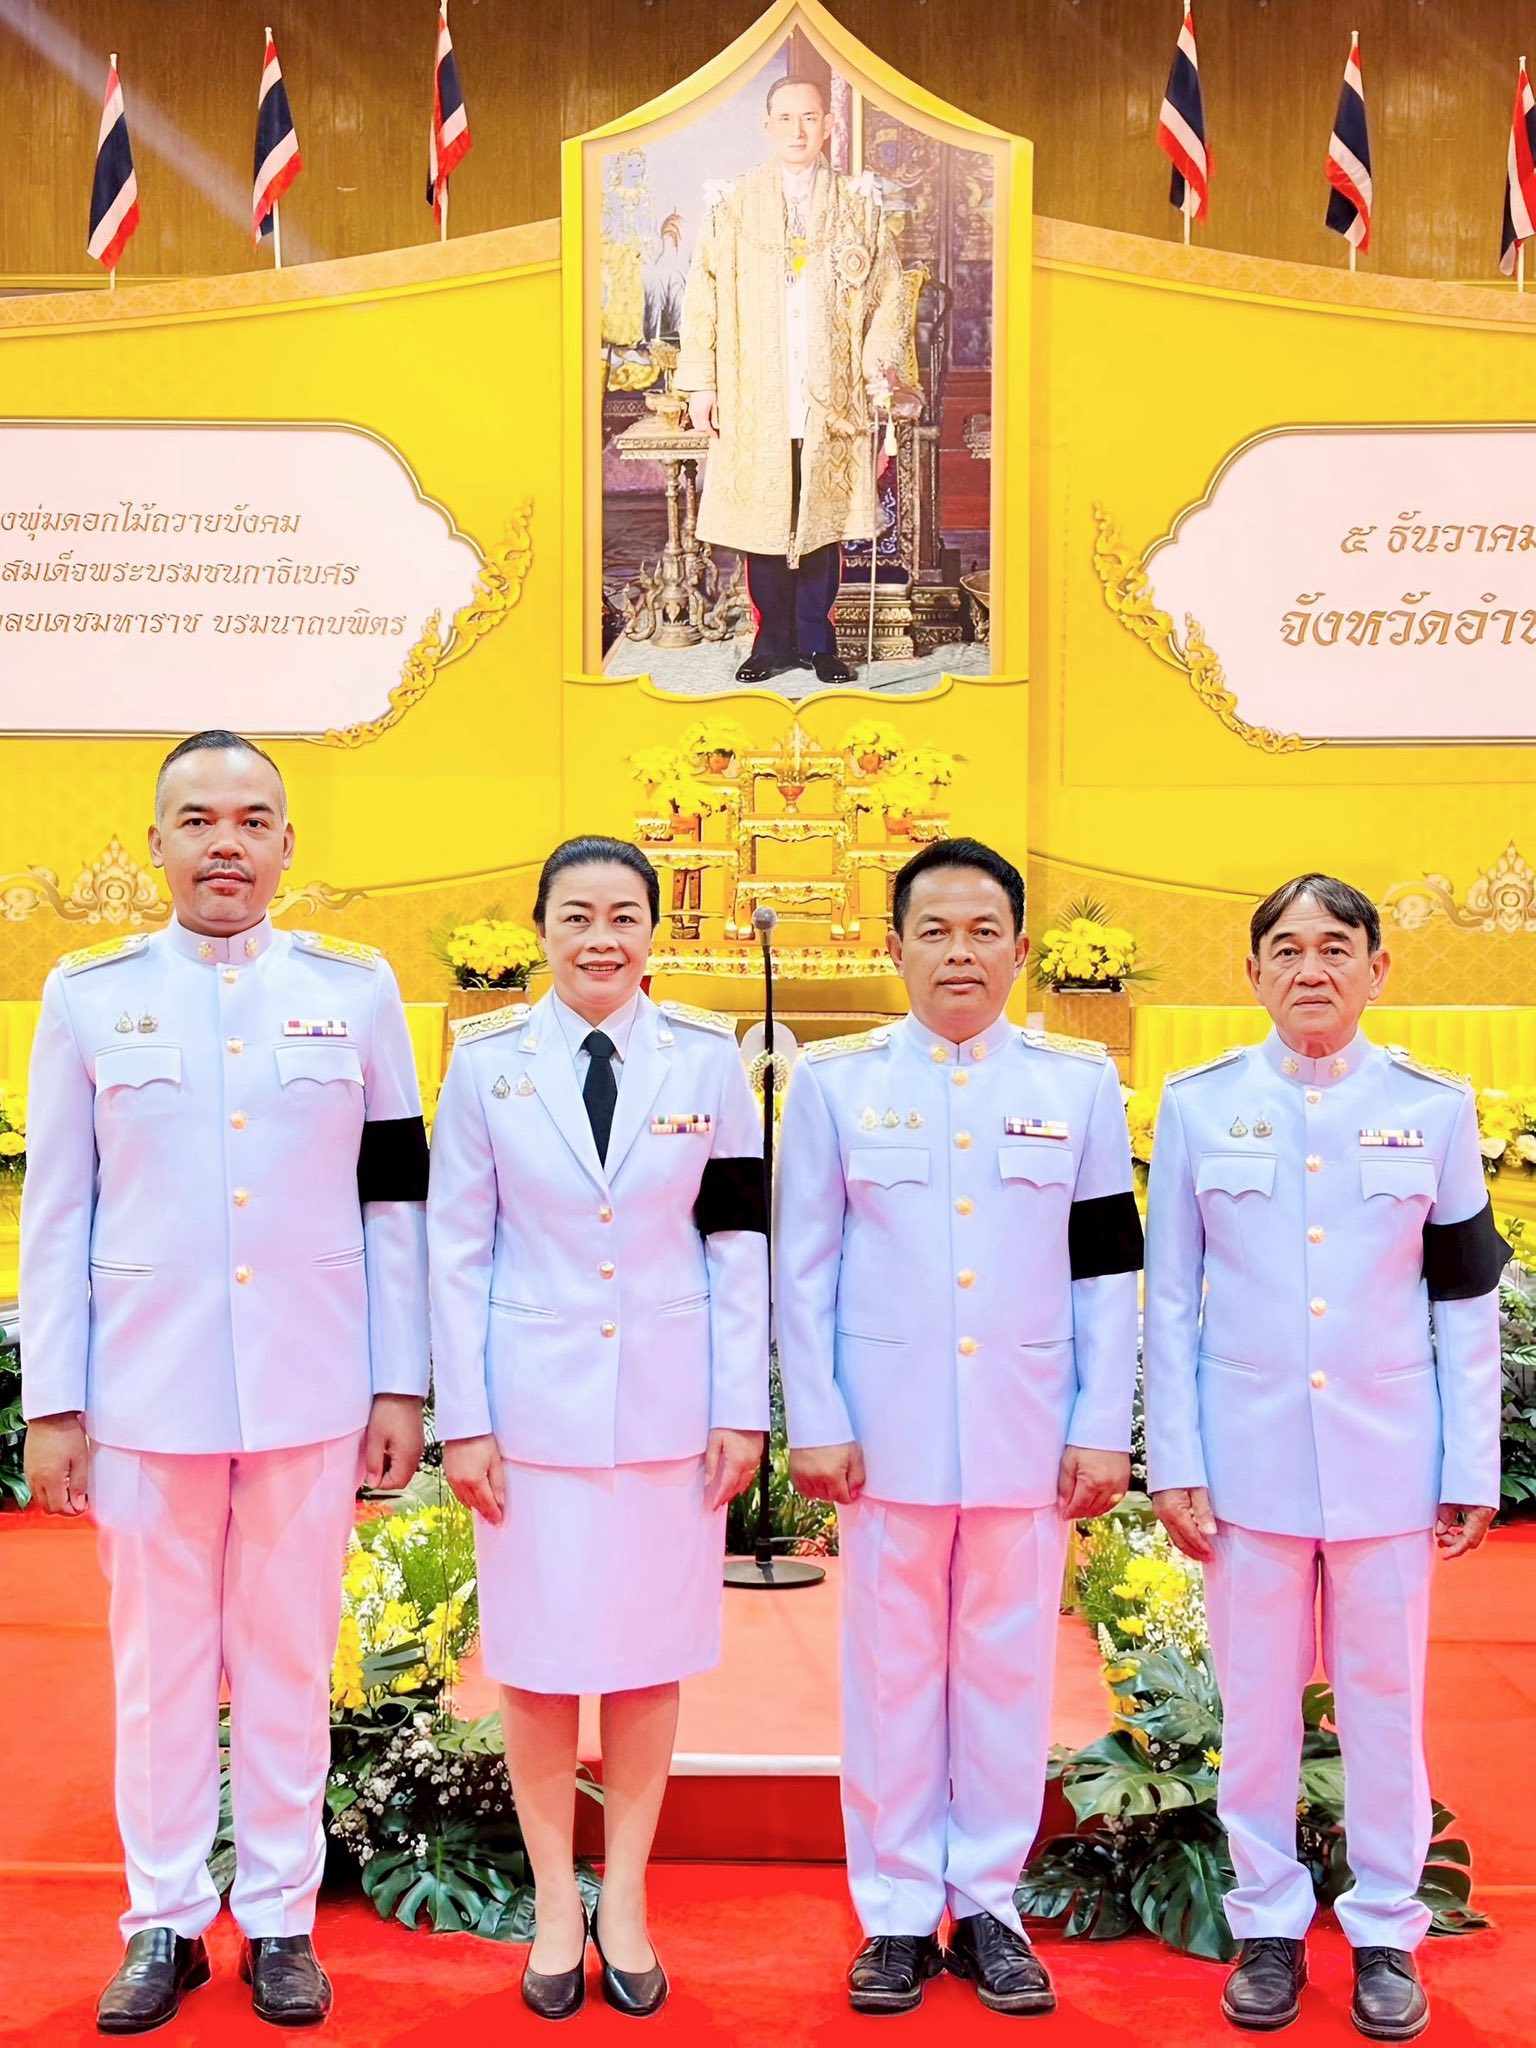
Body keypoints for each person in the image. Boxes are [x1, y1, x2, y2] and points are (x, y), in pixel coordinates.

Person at [21, 729, 429, 2034]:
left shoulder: (355, 990)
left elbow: (396, 1200)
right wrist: (53, 1401)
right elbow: (58, 1209)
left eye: (252, 820)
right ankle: (162, 1920)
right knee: (158, 1669)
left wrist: (401, 1382)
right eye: (198, 821)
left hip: (312, 1383)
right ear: (156, 844)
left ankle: (282, 1920)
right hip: (147, 1391)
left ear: (288, 844)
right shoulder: (89, 996)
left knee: (289, 1660)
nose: (225, 845)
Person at [775, 837, 1143, 2016]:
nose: (959, 952)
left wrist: (1102, 1423)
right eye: (934, 930)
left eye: (984, 931)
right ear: (895, 947)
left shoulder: (1078, 1084)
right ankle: (893, 1909)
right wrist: (816, 1416)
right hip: (883, 1438)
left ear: (1022, 948)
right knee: (890, 1675)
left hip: (1028, 1428)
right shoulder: (836, 1083)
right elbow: (803, 1266)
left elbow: (1106, 1269)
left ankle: (987, 1903)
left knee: (1007, 1670)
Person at [1143, 873, 1506, 2040]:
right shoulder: (1200, 1104)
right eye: (1289, 948)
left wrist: (1470, 1463)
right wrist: (1175, 1456)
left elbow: (1466, 1299)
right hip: (1245, 1463)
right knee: (1256, 1706)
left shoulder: (1434, 1109)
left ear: (1377, 968)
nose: (1313, 967)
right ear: (1251, 971)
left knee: (1386, 1703)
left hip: (1387, 1461)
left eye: (1337, 946)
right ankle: (1266, 1925)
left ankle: (1388, 1929)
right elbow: (1172, 1298)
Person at [428, 836, 769, 2021]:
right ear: (541, 928)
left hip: (670, 1412)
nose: (601, 937)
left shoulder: (709, 1059)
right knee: (535, 1660)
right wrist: (464, 1418)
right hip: (529, 1416)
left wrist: (740, 1404)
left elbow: (738, 1237)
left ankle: (623, 1896)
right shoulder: (486, 1065)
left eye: (625, 914)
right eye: (576, 914)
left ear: (654, 929)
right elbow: (456, 1246)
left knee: (645, 1655)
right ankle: (551, 1905)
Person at [676, 71, 914, 686]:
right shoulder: (732, 207)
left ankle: (818, 641)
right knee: (765, 519)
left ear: (828, 125)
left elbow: (889, 295)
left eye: (809, 117)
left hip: (831, 395)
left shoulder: (858, 207)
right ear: (767, 126)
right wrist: (703, 385)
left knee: (822, 519)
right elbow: (701, 298)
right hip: (756, 393)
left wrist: (878, 371)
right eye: (785, 118)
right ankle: (771, 641)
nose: (798, 130)